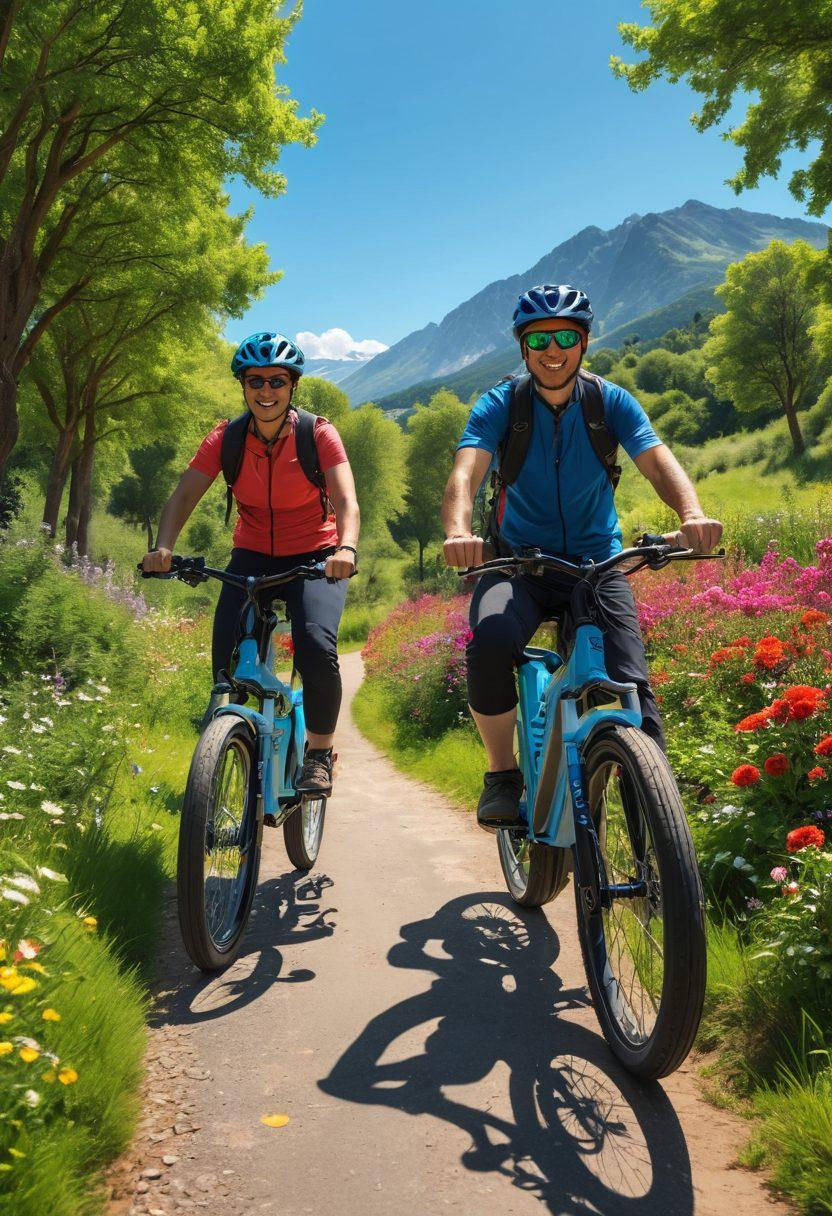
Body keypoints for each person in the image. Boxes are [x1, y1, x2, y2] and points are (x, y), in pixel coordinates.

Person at [441, 285, 722, 829]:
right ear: (524, 348)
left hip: (596, 566)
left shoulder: (609, 402)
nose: (553, 349)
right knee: (491, 642)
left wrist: (692, 515)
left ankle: (660, 824)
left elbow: (656, 458)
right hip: (518, 565)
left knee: (632, 686)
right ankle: (502, 772)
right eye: (539, 338)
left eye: (565, 336)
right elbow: (466, 470)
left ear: (584, 342)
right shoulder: (501, 404)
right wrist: (458, 531)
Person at [142, 331, 360, 795]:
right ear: (243, 385)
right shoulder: (227, 438)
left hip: (317, 555)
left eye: (276, 381)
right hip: (253, 554)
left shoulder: (317, 432)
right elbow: (184, 495)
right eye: (255, 381)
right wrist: (163, 545)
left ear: (292, 386)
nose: (266, 391)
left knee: (316, 647)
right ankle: (226, 756)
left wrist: (346, 549)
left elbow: (346, 500)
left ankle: (319, 754)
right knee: (226, 660)